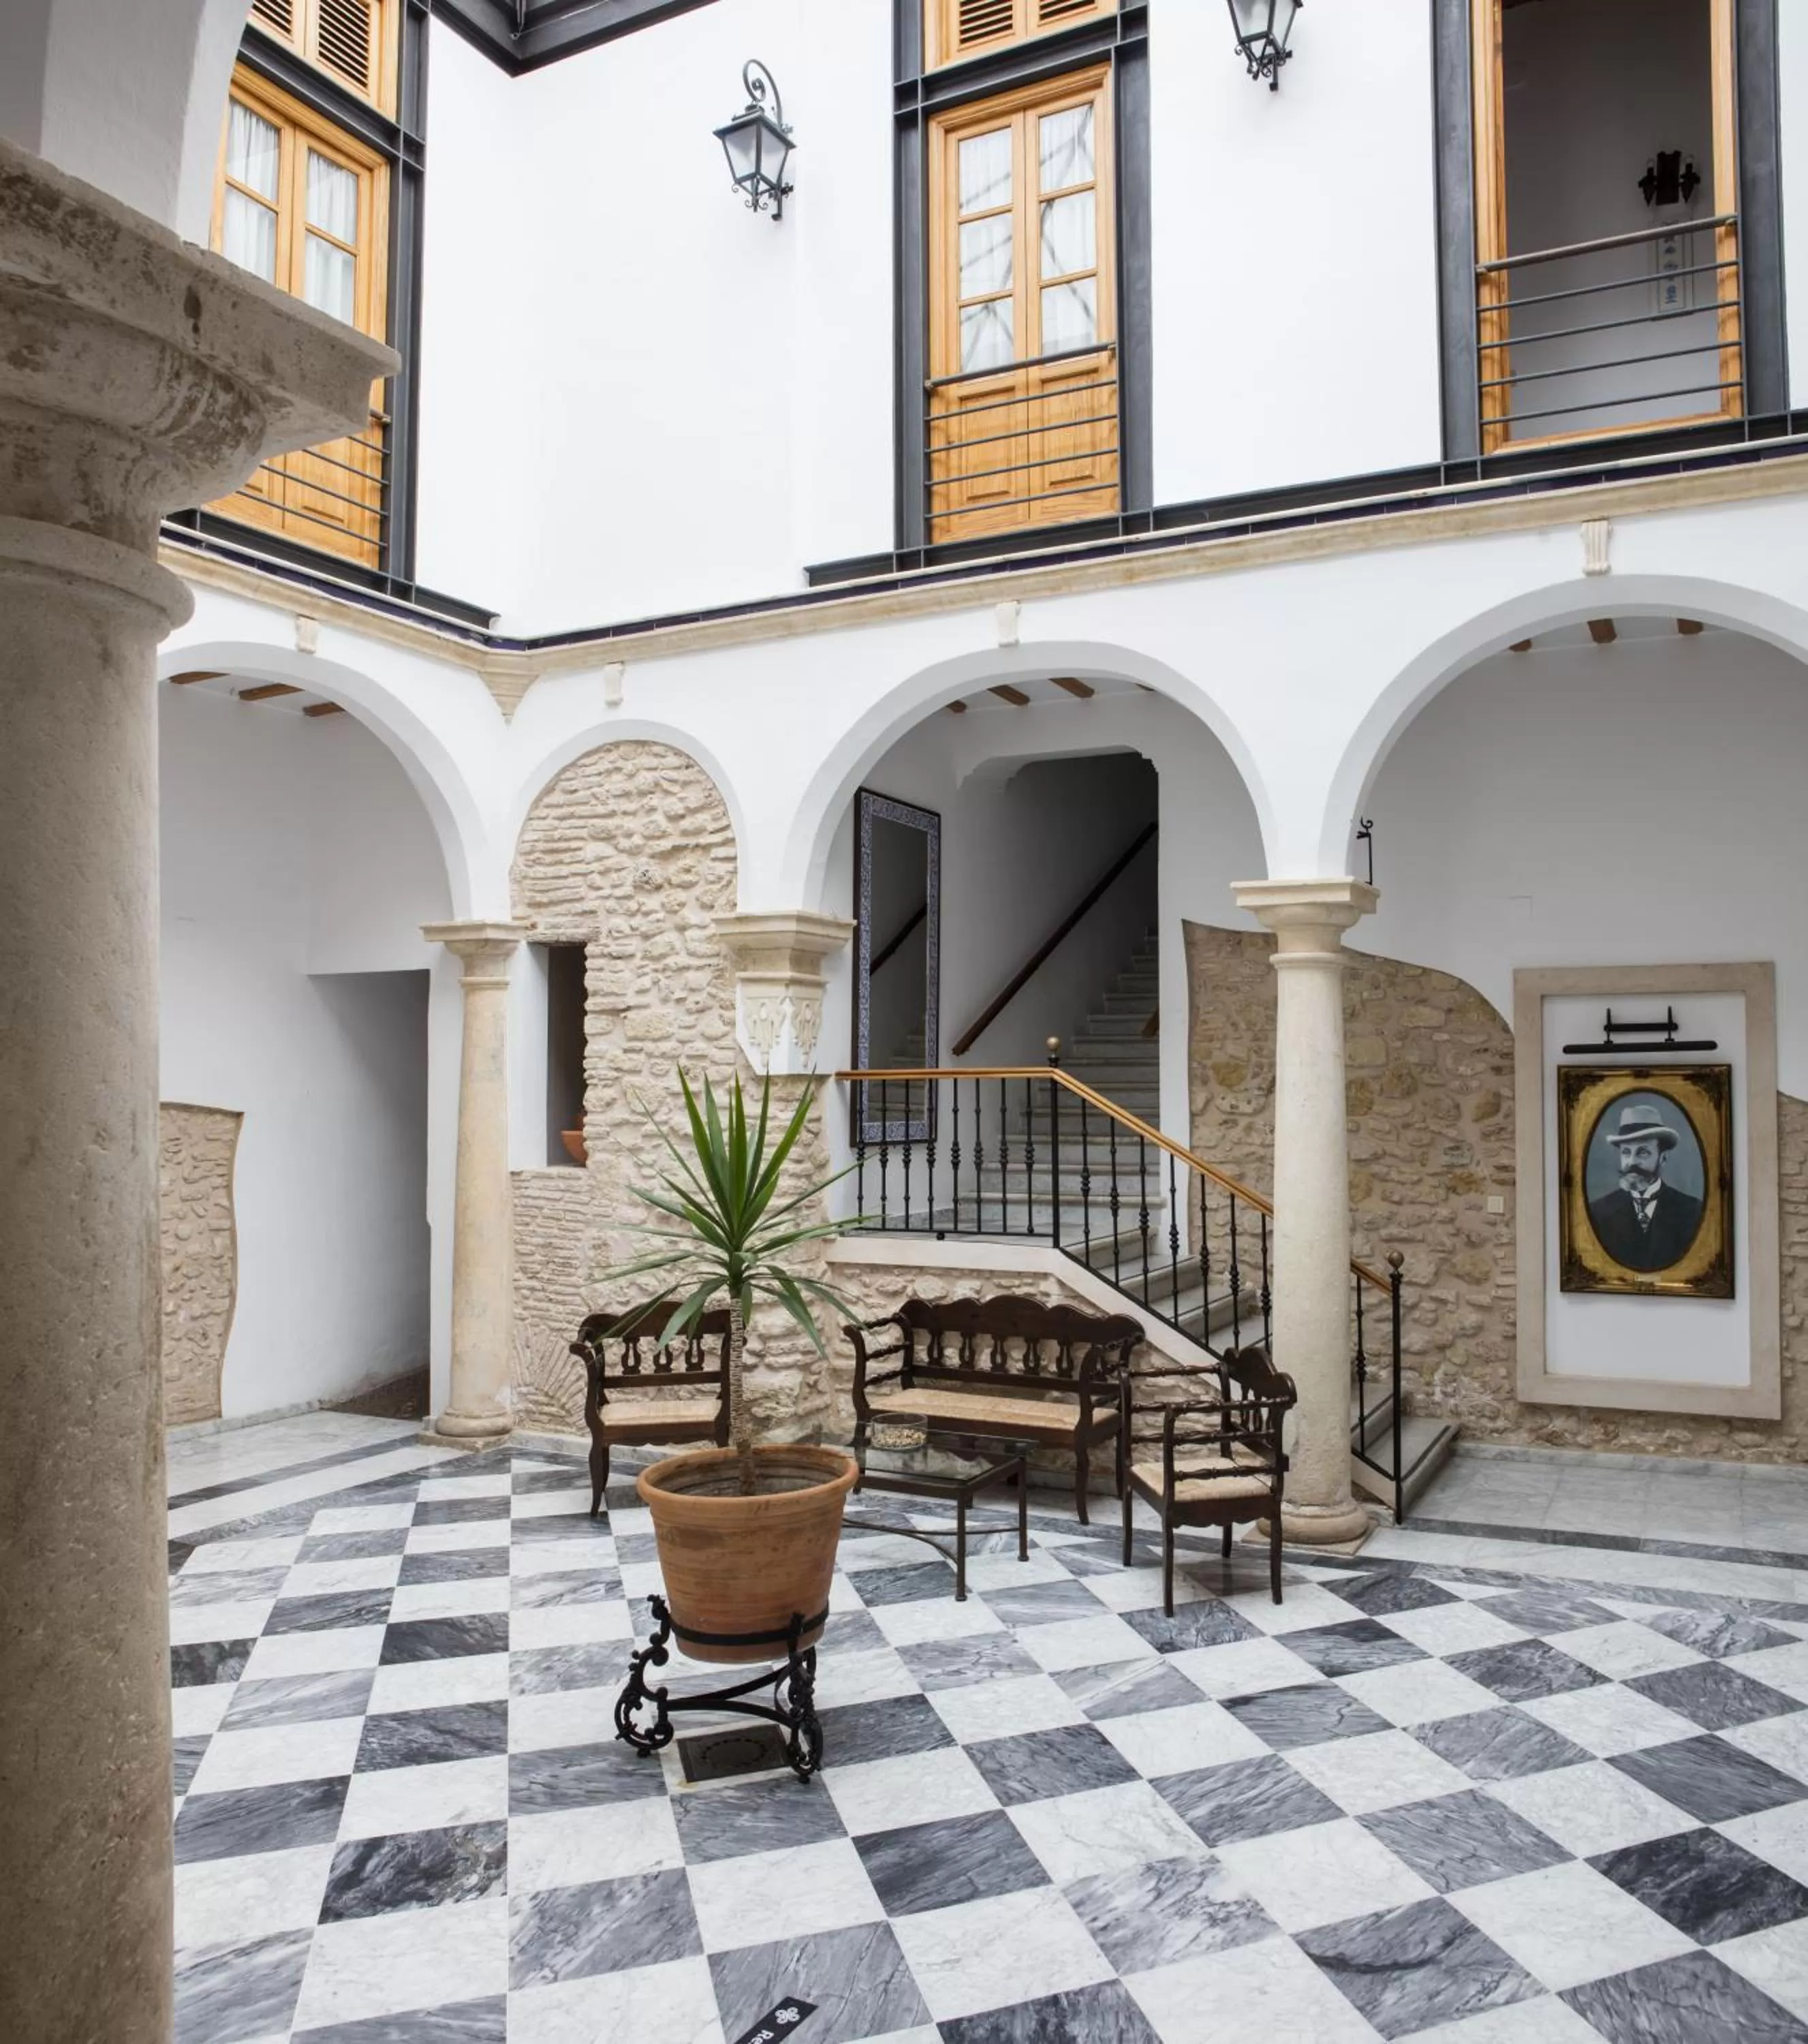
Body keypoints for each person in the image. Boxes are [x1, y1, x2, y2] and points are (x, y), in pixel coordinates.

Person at [1587, 1101, 1702, 1272]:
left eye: (1642, 1152)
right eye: (1626, 1152)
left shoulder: (1693, 1211)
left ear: (1663, 1158)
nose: (1632, 1162)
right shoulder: (1597, 1212)